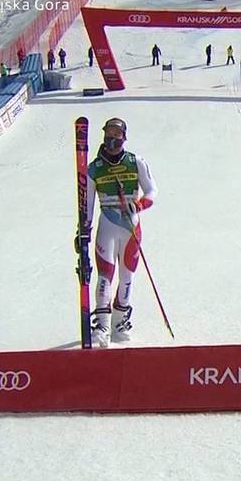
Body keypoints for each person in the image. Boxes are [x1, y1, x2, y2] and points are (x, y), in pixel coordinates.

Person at [78, 118, 159, 348]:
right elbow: (88, 204)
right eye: (108, 134)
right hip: (107, 224)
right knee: (105, 276)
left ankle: (119, 322)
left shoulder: (136, 162)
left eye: (117, 134)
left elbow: (153, 190)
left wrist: (140, 204)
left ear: (124, 137)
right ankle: (102, 325)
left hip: (131, 225)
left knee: (127, 277)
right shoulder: (94, 168)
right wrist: (83, 230)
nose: (112, 139)